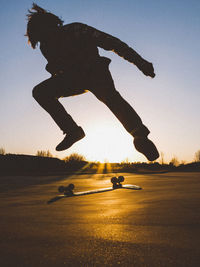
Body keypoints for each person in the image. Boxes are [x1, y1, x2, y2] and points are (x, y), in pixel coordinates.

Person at [26, 3, 159, 161]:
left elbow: (112, 43)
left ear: (52, 26)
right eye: (42, 40)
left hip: (95, 72)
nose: (46, 42)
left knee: (111, 97)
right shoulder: (45, 47)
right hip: (73, 78)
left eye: (46, 36)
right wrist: (55, 72)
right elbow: (58, 68)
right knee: (40, 92)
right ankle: (72, 130)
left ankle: (140, 136)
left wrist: (140, 62)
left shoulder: (77, 29)